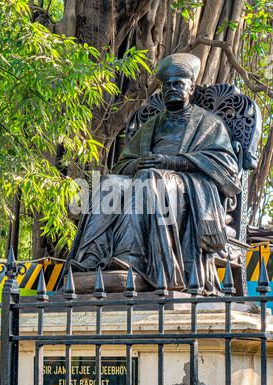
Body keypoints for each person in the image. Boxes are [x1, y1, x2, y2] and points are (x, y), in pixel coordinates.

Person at [64, 53, 241, 295]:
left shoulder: (210, 124)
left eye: (178, 84)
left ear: (191, 87)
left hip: (188, 188)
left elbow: (226, 168)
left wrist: (171, 162)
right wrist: (138, 164)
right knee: (108, 183)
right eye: (166, 85)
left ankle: (132, 257)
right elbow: (122, 165)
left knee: (149, 181)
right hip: (148, 181)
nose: (171, 89)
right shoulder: (150, 126)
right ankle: (92, 257)